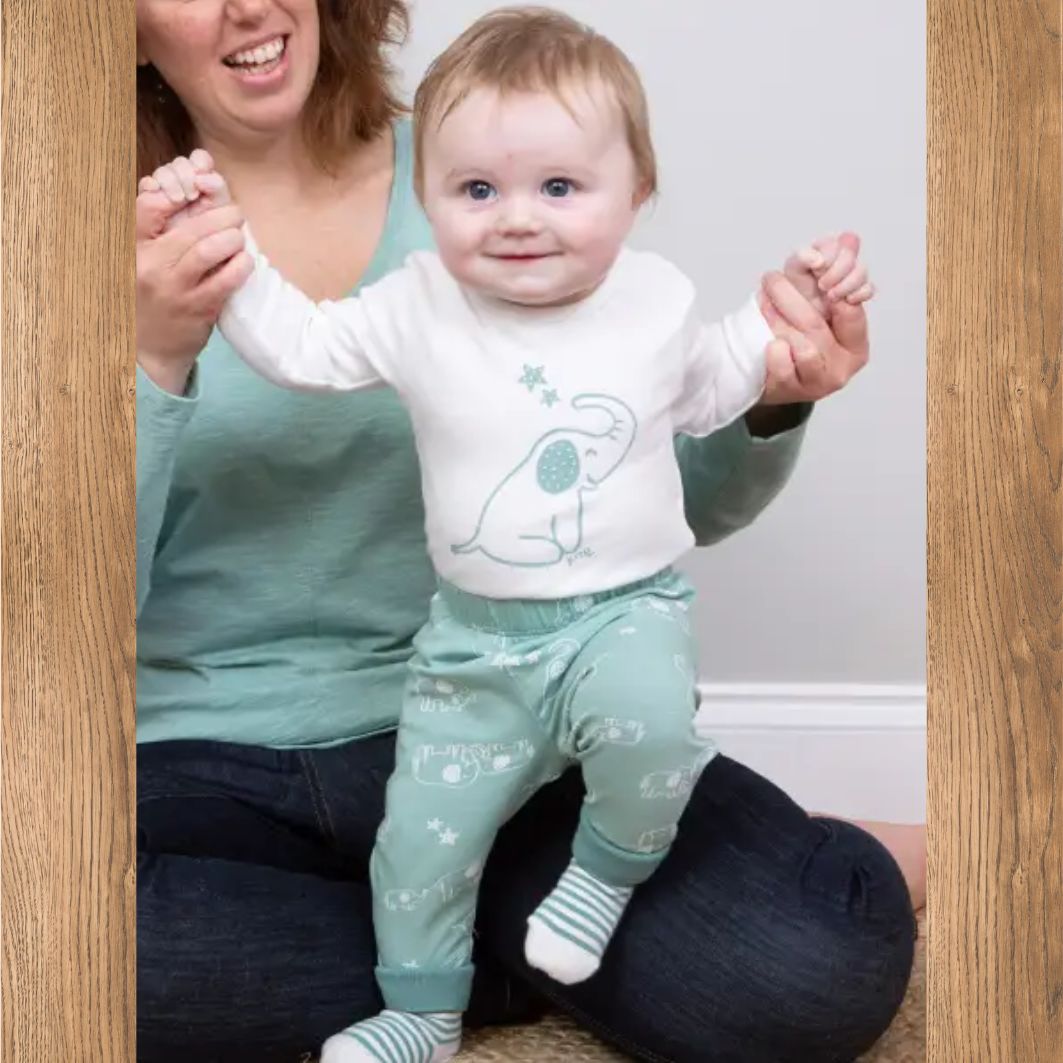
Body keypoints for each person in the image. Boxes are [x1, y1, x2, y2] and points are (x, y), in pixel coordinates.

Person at [134, 1, 918, 1061]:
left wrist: (776, 393)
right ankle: (489, 961)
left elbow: (665, 480)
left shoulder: (501, 161)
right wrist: (152, 359)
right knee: (68, 949)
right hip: (203, 768)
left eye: (551, 192)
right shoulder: (82, 232)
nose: (245, 4)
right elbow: (55, 603)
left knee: (808, 962)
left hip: (517, 721)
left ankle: (476, 935)